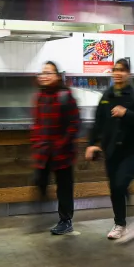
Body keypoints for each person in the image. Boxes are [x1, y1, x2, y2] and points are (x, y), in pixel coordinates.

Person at [86, 59, 134, 241]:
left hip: (131, 150)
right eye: (115, 70)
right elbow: (98, 122)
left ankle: (127, 216)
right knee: (115, 188)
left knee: (121, 184)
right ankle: (120, 224)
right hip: (111, 150)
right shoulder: (107, 95)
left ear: (128, 74)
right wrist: (93, 143)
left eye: (122, 70)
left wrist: (126, 113)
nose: (118, 73)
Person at [31, 62, 81, 235]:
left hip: (63, 153)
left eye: (48, 73)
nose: (44, 76)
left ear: (57, 76)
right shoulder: (40, 96)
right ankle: (42, 212)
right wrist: (38, 141)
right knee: (39, 181)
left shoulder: (65, 96)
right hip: (44, 151)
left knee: (64, 188)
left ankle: (65, 221)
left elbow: (74, 124)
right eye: (42, 72)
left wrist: (62, 143)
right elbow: (37, 122)